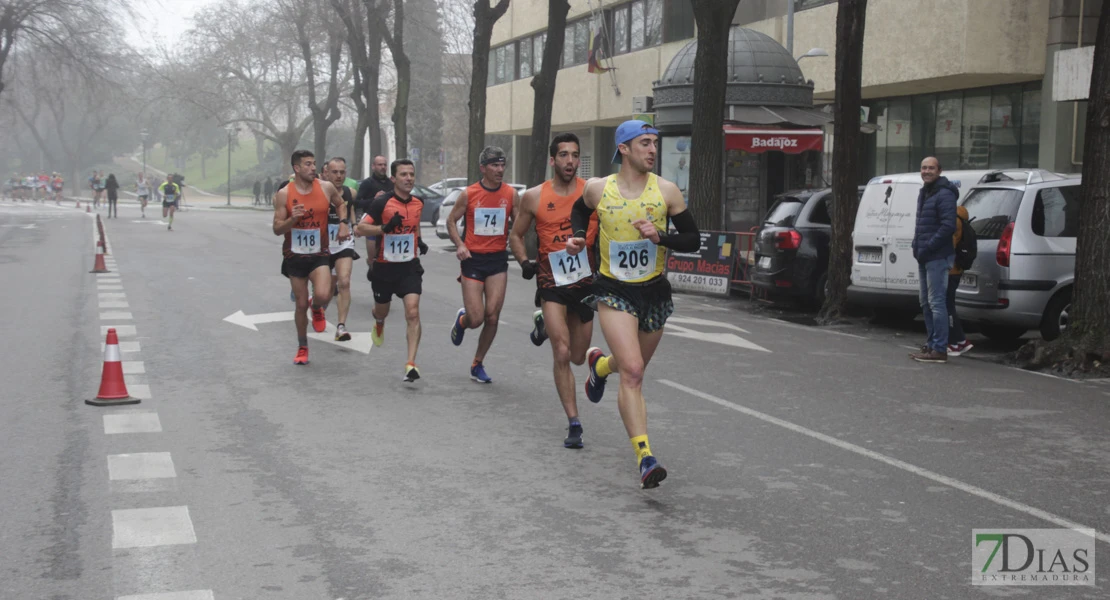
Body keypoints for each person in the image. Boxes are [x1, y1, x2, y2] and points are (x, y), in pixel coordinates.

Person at [565, 120, 701, 489]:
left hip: (653, 291)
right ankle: (645, 457)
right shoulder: (598, 189)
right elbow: (580, 212)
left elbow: (693, 239)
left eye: (655, 143)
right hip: (614, 290)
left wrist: (661, 237)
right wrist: (579, 237)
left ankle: (600, 365)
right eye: (644, 143)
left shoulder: (667, 191)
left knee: (628, 367)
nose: (653, 150)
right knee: (635, 372)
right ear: (624, 149)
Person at [510, 133, 599, 448]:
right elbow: (516, 235)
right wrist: (524, 262)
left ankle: (544, 328)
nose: (570, 161)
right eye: (563, 155)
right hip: (552, 283)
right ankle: (574, 423)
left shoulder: (592, 193)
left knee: (577, 357)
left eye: (575, 155)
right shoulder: (534, 196)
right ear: (553, 160)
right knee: (561, 353)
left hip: (586, 285)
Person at [446, 146, 519, 384]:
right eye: (494, 166)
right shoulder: (469, 194)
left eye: (502, 165)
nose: (500, 170)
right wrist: (460, 244)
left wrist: (517, 237)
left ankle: (477, 363)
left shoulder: (510, 194)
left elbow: (519, 223)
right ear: (483, 168)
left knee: (493, 317)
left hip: (497, 259)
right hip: (473, 259)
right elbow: (451, 221)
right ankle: (463, 321)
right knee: (476, 318)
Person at [273, 150, 350, 365]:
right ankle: (302, 346)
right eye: (307, 164)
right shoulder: (284, 194)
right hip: (294, 256)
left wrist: (344, 223)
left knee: (325, 295)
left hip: (319, 254)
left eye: (314, 164)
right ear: (296, 168)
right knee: (299, 305)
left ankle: (316, 307)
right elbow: (277, 229)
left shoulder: (325, 187)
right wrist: (292, 220)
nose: (313, 168)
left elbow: (341, 203)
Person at [356, 159, 429, 382]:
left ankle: (410, 364)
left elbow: (414, 225)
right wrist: (383, 228)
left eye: (411, 174)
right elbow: (360, 228)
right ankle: (379, 323)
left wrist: (420, 241)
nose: (408, 178)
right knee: (381, 311)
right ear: (394, 179)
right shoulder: (382, 203)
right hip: (385, 268)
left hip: (409, 266)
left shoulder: (418, 203)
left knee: (413, 312)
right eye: (403, 174)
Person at [910, 156, 958, 364]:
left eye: (931, 168)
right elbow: (922, 223)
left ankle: (939, 348)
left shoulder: (944, 194)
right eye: (923, 167)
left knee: (937, 302)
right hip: (924, 255)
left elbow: (949, 226)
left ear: (939, 171)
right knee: (925, 302)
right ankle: (931, 345)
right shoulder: (925, 192)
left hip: (937, 256)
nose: (927, 171)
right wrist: (916, 245)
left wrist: (928, 246)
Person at [322, 157, 361, 341]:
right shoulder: (318, 191)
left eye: (342, 172)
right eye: (335, 172)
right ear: (326, 173)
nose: (339, 176)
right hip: (322, 243)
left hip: (344, 240)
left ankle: (341, 326)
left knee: (344, 282)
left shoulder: (350, 192)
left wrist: (353, 225)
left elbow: (350, 208)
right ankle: (317, 309)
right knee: (325, 291)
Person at [947, 205, 974, 357]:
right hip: (956, 269)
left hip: (951, 270)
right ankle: (960, 341)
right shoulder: (959, 218)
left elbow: (950, 245)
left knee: (947, 306)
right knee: (948, 305)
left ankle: (956, 342)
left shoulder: (954, 220)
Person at [354, 155, 393, 220]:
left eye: (385, 165)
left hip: (389, 220)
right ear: (373, 166)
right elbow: (357, 203)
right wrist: (374, 199)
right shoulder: (367, 183)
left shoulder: (391, 183)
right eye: (380, 165)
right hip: (372, 221)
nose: (383, 167)